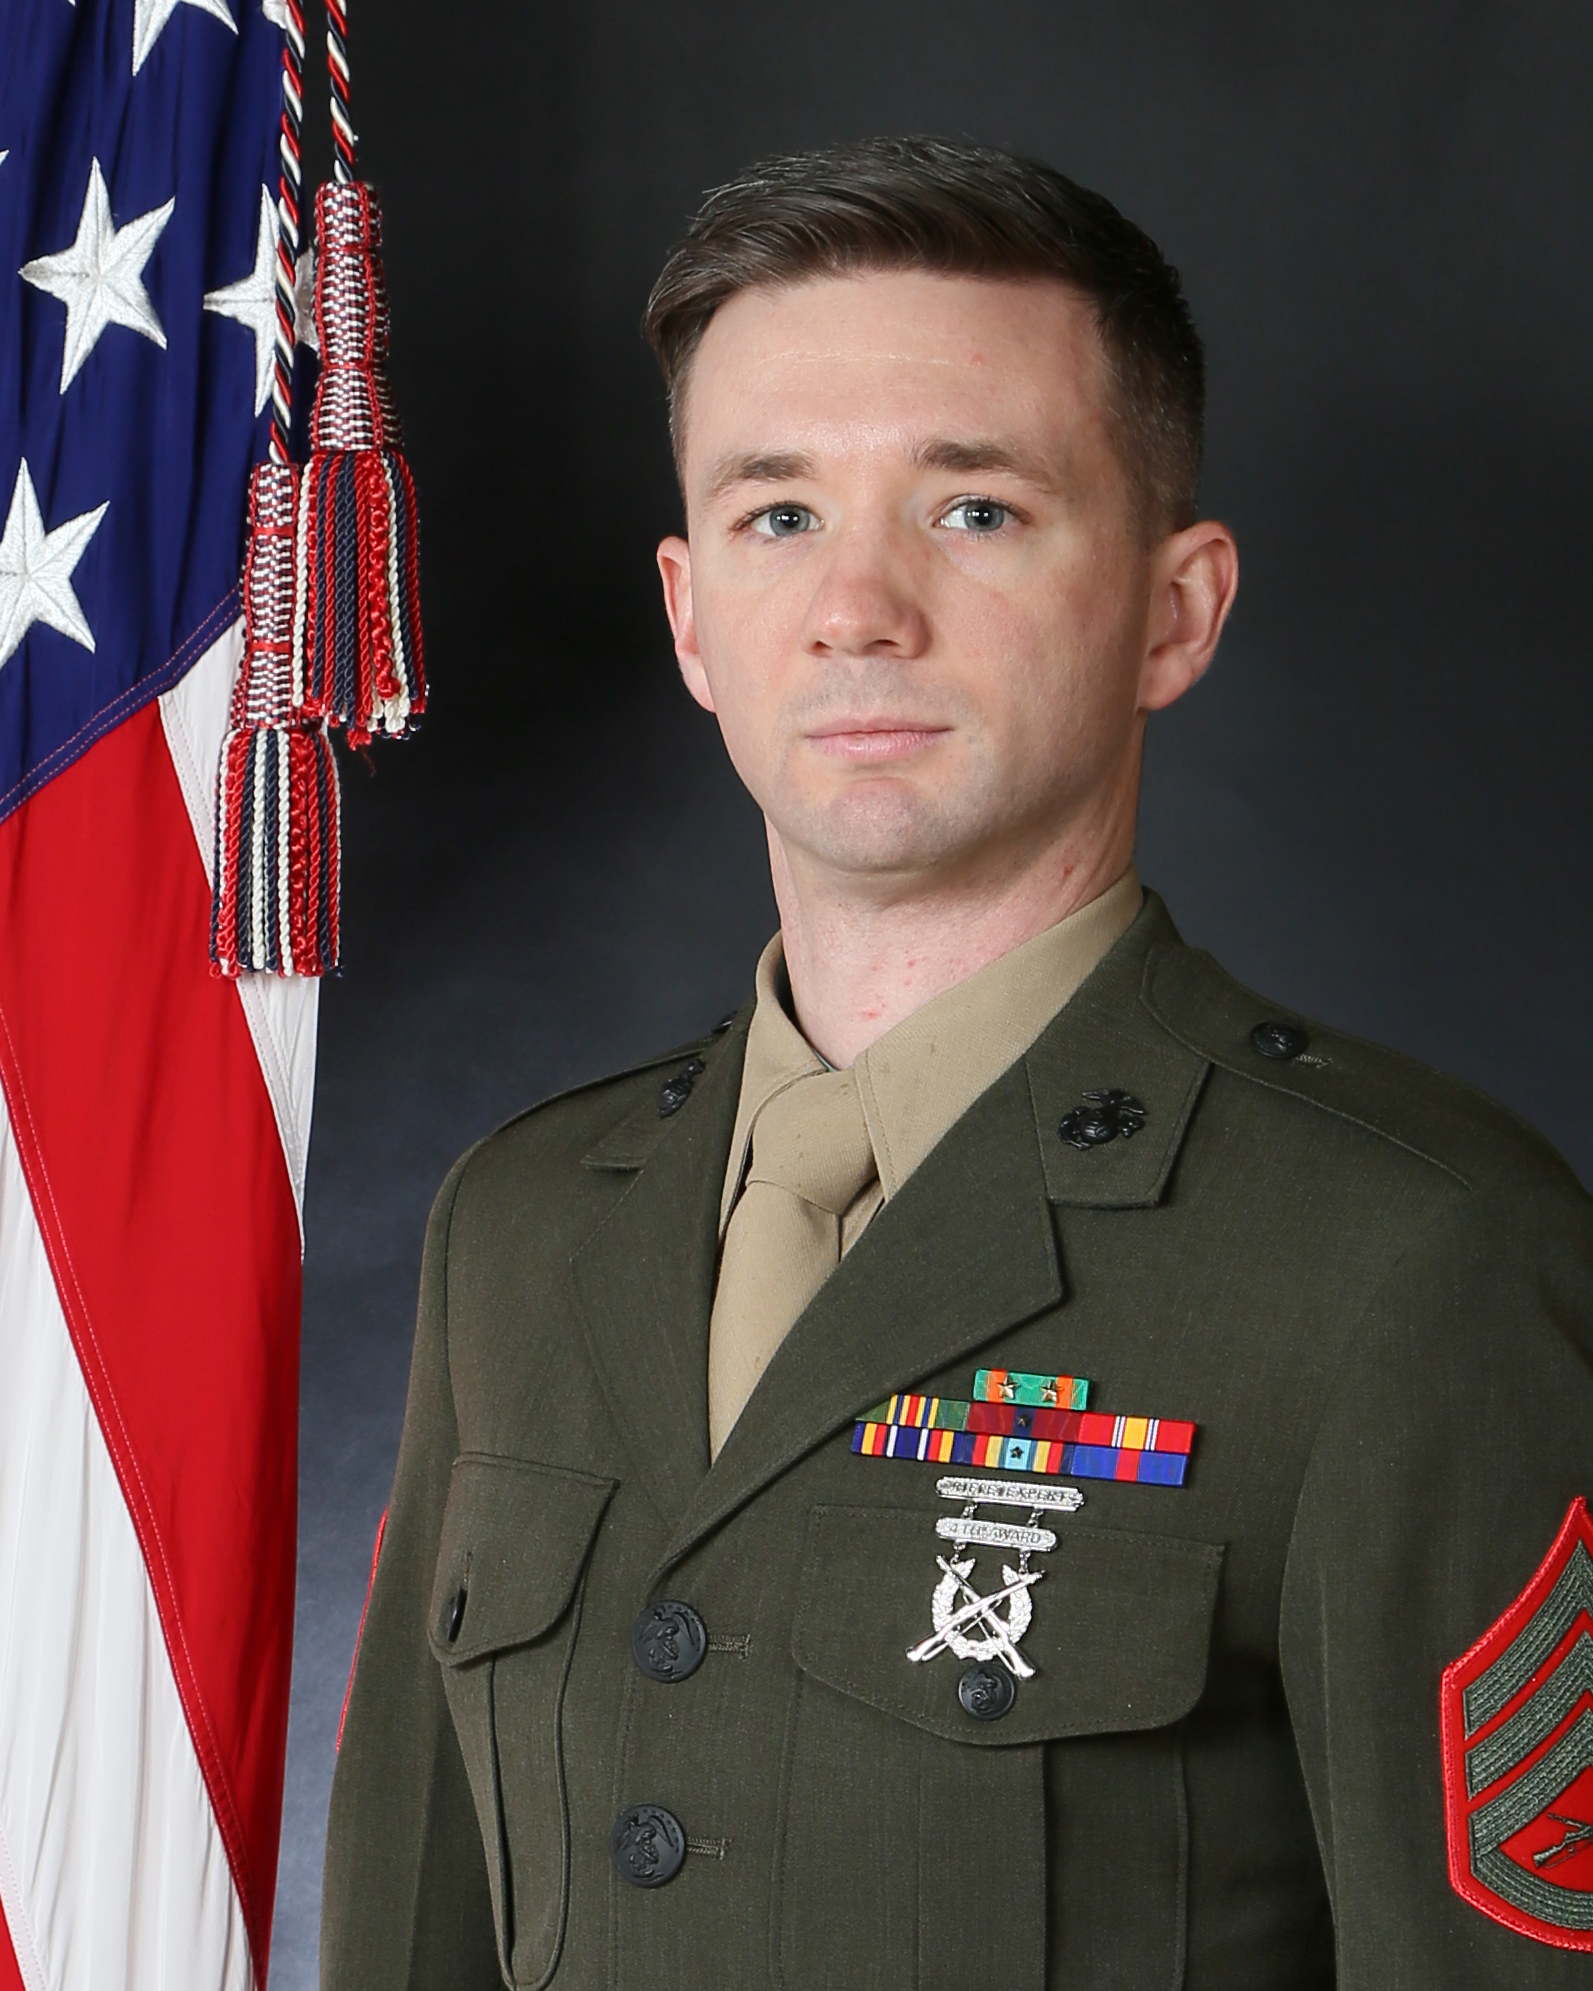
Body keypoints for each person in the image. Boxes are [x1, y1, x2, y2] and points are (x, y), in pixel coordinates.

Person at [320, 138, 1593, 1989]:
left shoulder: (1412, 1255)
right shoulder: (519, 1226)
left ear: (1174, 611)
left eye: (973, 509)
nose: (857, 608)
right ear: (689, 615)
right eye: (777, 515)